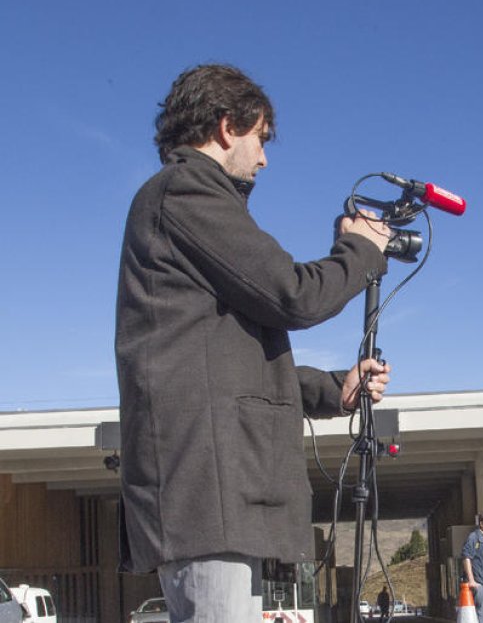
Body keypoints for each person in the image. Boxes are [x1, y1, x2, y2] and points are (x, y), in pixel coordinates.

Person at [115, 63, 393, 622]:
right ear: (226, 127)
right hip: (207, 499)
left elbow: (225, 361)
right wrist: (361, 251)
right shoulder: (186, 191)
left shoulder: (183, 201)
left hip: (215, 497)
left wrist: (331, 388)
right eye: (259, 138)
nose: (263, 157)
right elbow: (292, 294)